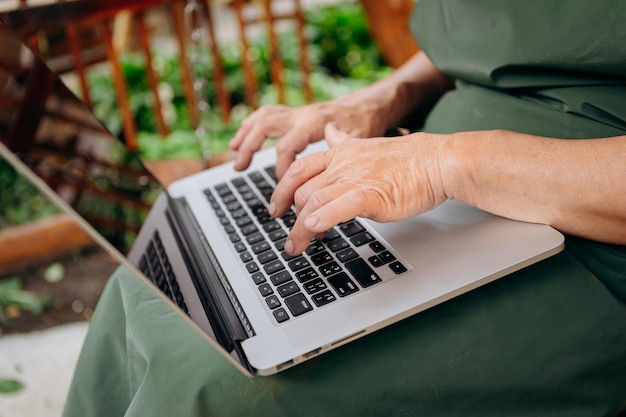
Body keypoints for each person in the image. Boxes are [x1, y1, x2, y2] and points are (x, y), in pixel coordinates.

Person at [63, 1, 626, 416]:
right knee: (146, 282)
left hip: (588, 233)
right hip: (441, 181)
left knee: (215, 391)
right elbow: (495, 39)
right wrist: (378, 101)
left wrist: (448, 162)